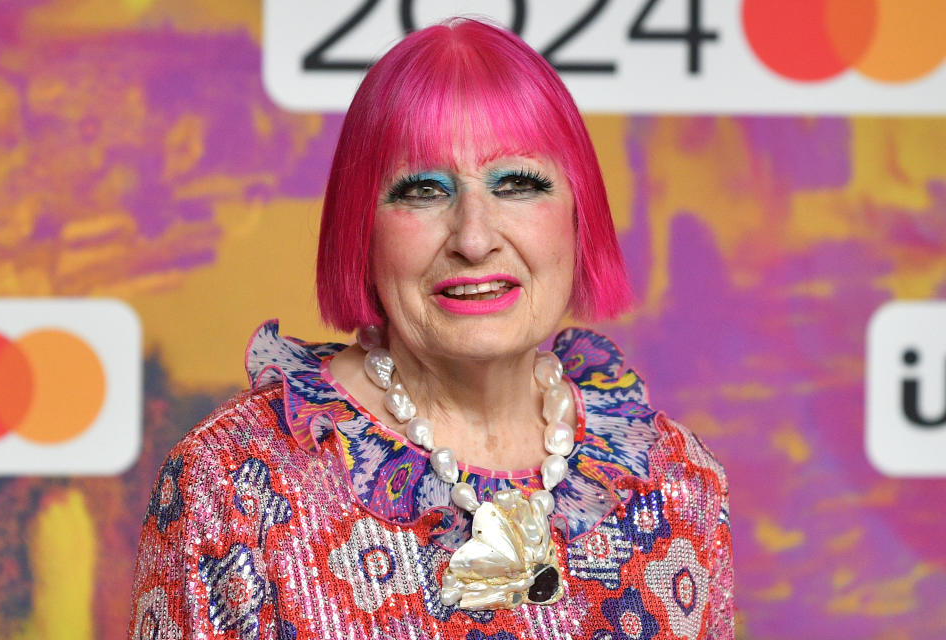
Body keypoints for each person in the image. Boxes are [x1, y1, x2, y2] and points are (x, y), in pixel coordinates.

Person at [129, 18, 733, 640]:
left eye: (518, 183)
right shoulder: (232, 486)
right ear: (361, 228)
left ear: (580, 216)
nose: (474, 238)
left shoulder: (679, 485)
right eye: (422, 190)